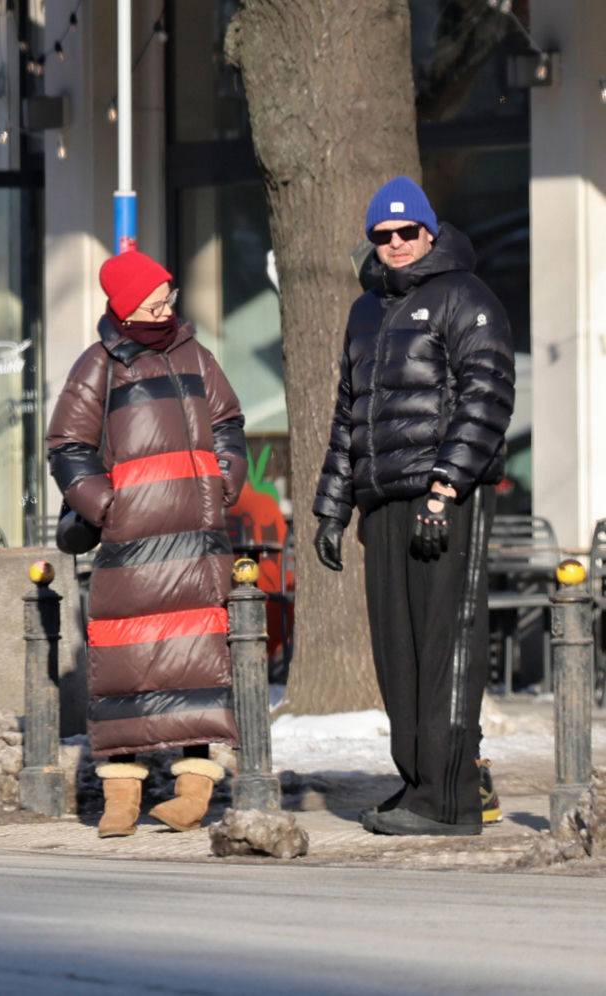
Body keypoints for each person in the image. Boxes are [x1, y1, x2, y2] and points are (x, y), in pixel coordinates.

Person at [313, 176, 515, 836]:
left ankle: (453, 798)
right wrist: (332, 507)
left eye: (408, 232)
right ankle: (418, 783)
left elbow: (487, 398)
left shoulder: (466, 297)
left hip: (445, 499)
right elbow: (350, 414)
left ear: (429, 231)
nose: (396, 244)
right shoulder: (366, 310)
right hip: (385, 502)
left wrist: (445, 487)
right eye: (383, 235)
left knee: (446, 641)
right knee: (398, 652)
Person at [47, 250, 247, 838]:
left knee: (196, 668)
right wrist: (105, 505)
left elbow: (229, 421)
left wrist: (226, 475)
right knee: (127, 672)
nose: (166, 308)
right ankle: (121, 799)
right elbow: (67, 446)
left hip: (196, 538)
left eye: (168, 297)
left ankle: (192, 794)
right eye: (154, 300)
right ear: (125, 306)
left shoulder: (195, 354)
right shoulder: (99, 365)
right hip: (131, 546)